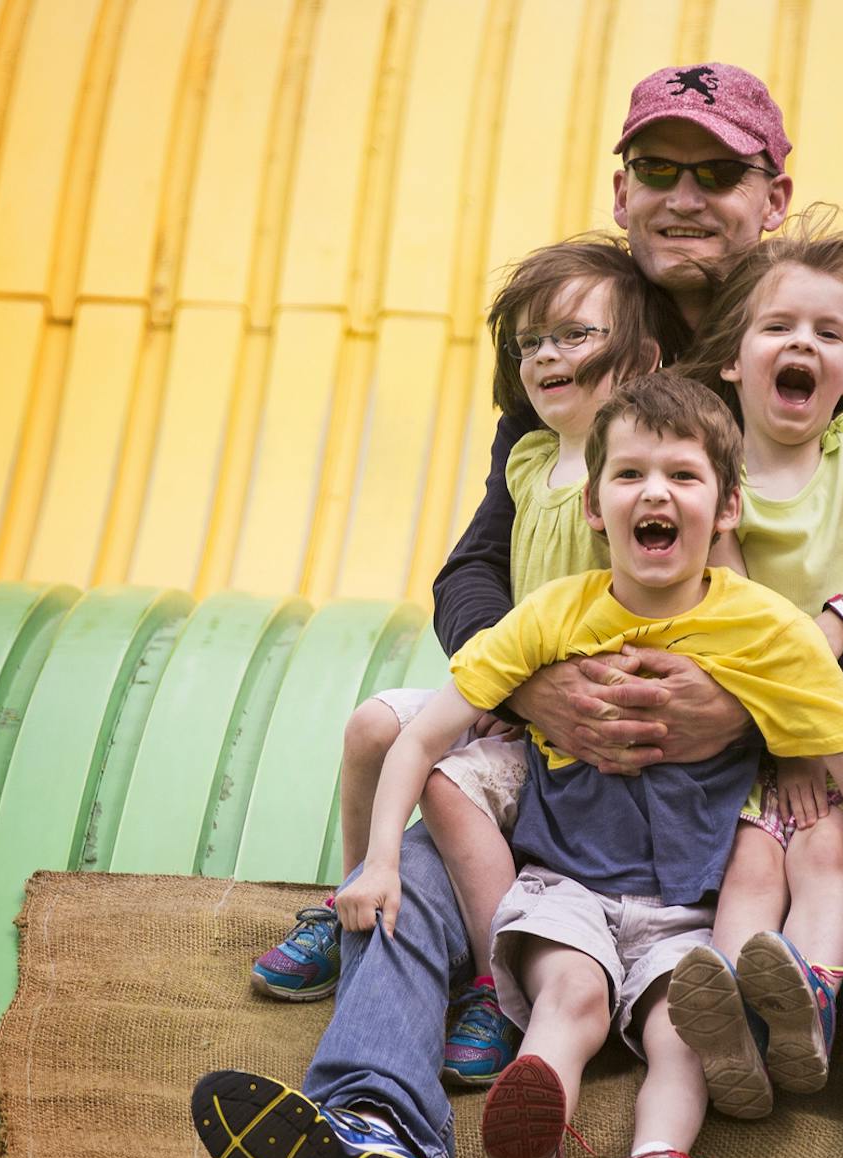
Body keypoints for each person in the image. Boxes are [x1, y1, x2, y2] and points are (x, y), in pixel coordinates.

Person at [200, 62, 843, 1158]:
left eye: (719, 171)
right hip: (569, 751)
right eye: (661, 169)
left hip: (782, 754)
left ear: (773, 192)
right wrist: (537, 682)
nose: (686, 195)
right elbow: (476, 573)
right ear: (624, 187)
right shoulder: (583, 340)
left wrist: (751, 705)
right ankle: (376, 1132)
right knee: (425, 876)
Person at [193, 372, 843, 1158]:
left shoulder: (770, 632)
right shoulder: (552, 617)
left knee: (684, 1026)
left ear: (728, 505)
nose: (654, 493)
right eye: (628, 476)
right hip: (566, 889)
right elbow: (421, 736)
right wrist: (377, 866)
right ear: (593, 506)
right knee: (571, 998)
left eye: (683, 477)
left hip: (690, 910)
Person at [248, 238, 688, 1091]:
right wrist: (503, 680)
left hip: (576, 708)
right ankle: (350, 901)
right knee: (374, 725)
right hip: (513, 681)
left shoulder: (631, 468)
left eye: (574, 336)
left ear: (641, 358)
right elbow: (474, 572)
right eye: (531, 344)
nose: (547, 356)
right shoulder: (527, 458)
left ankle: (497, 982)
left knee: (453, 789)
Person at [659, 217, 843, 1122]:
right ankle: (737, 1017)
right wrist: (780, 709)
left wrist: (839, 620)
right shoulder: (718, 465)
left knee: (825, 850)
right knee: (750, 864)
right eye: (779, 327)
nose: (804, 346)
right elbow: (732, 599)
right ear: (734, 362)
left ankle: (811, 996)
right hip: (756, 726)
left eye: (828, 336)